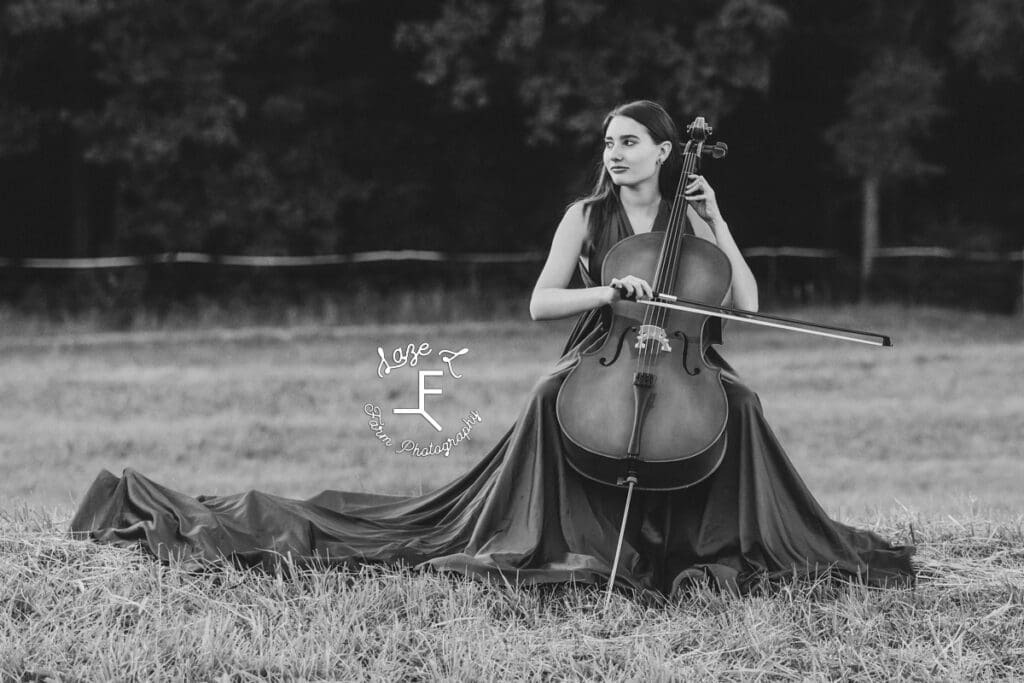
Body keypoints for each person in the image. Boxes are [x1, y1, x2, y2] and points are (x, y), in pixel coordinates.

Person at [70, 100, 915, 600]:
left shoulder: (696, 220)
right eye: (608, 141)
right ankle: (569, 536)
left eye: (628, 140)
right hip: (605, 352)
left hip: (689, 359)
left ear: (664, 151)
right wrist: (607, 292)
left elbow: (752, 304)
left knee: (742, 402)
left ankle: (716, 540)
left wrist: (718, 221)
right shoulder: (586, 219)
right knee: (553, 397)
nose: (613, 151)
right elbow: (543, 301)